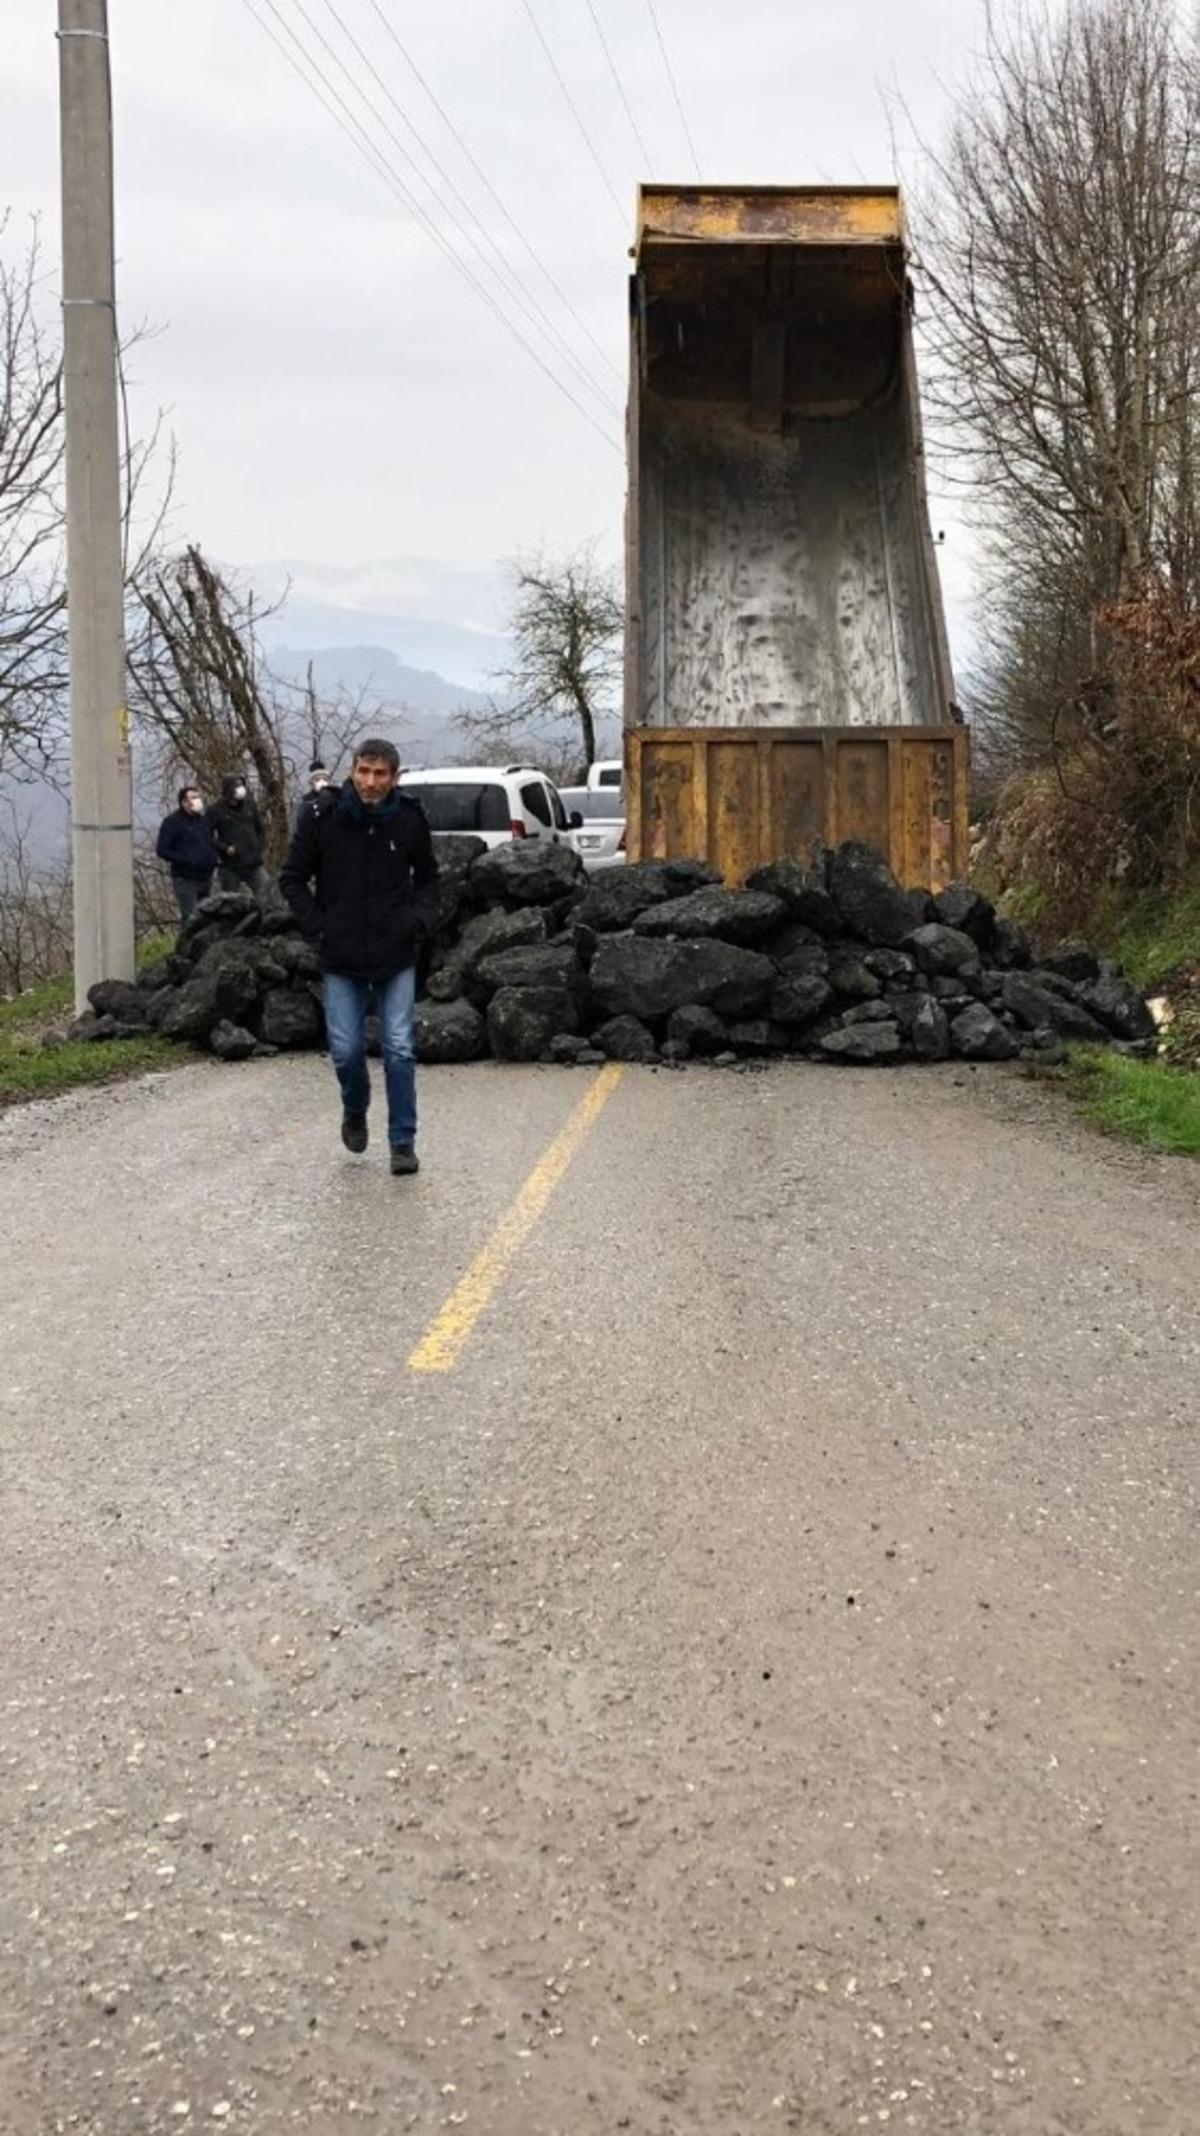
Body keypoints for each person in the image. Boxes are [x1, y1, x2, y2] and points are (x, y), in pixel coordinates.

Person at [279, 736, 438, 1176]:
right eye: (363, 772)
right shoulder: (322, 818)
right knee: (347, 1050)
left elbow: (429, 879)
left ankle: (402, 1141)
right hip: (342, 954)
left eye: (380, 774)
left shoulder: (410, 820)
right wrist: (319, 927)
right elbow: (292, 879)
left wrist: (417, 921)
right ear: (352, 771)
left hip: (395, 951)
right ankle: (355, 1107)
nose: (370, 782)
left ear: (394, 778)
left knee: (400, 1048)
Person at [155, 785, 218, 923]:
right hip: (185, 879)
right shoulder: (172, 822)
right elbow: (162, 849)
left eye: (198, 797)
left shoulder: (202, 821)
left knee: (206, 919)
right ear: (184, 802)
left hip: (205, 878)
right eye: (193, 798)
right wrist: (186, 860)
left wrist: (213, 859)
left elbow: (210, 842)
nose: (197, 800)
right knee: (191, 920)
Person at [211, 774, 271, 896]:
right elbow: (206, 836)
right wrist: (224, 848)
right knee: (229, 904)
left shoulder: (250, 805)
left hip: (253, 864)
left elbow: (260, 829)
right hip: (231, 866)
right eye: (237, 786)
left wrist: (259, 847)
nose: (241, 788)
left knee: (268, 894)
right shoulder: (215, 810)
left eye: (241, 785)